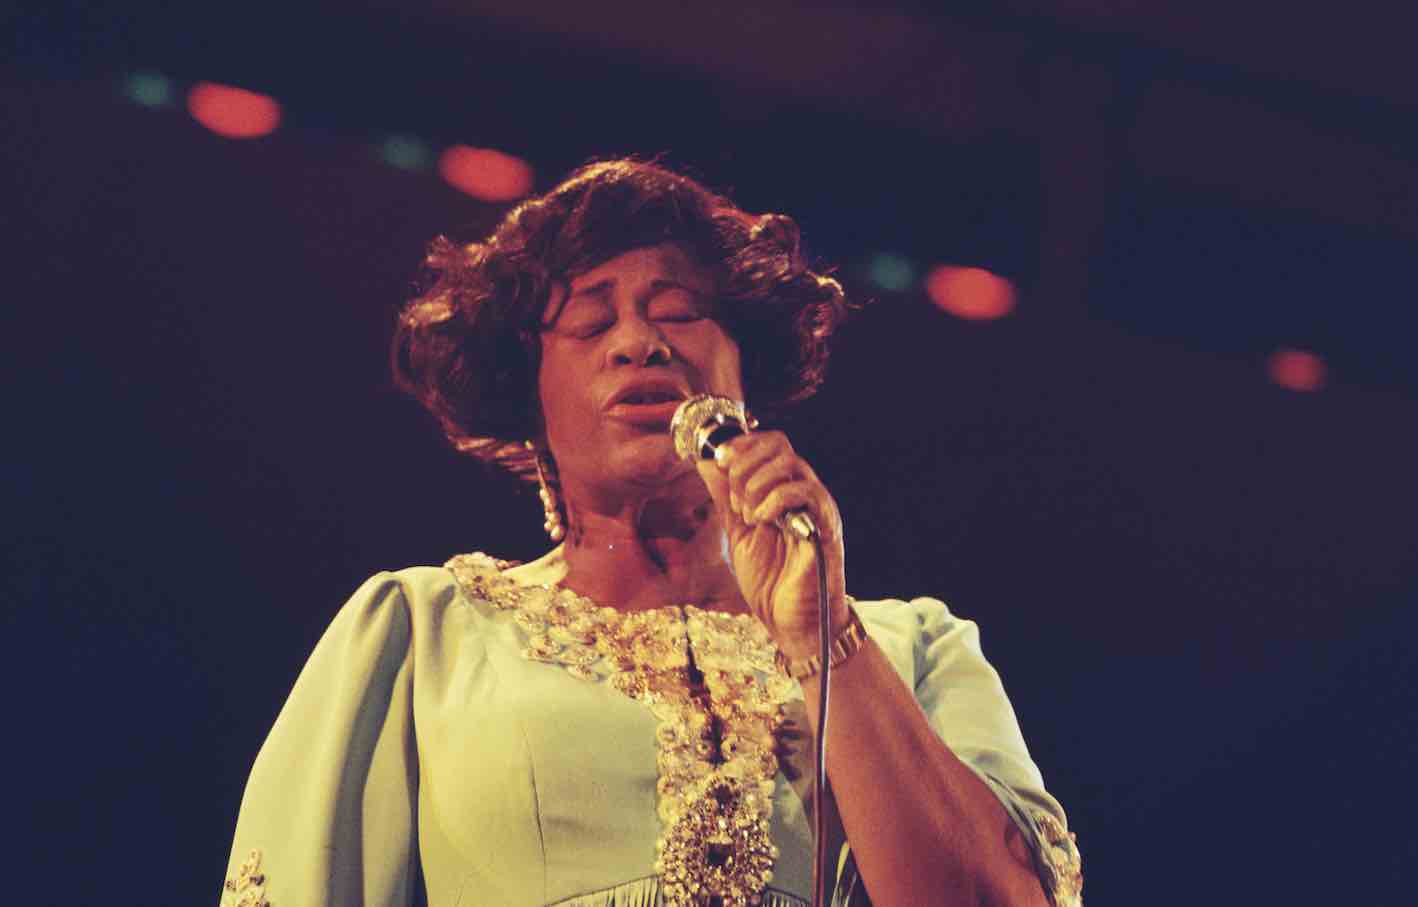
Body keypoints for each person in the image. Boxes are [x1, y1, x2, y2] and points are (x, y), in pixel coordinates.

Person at [219, 159, 1083, 907]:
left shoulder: (913, 647)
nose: (639, 341)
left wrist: (830, 642)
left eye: (677, 312)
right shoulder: (425, 635)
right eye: (592, 324)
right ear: (532, 399)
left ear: (745, 373)